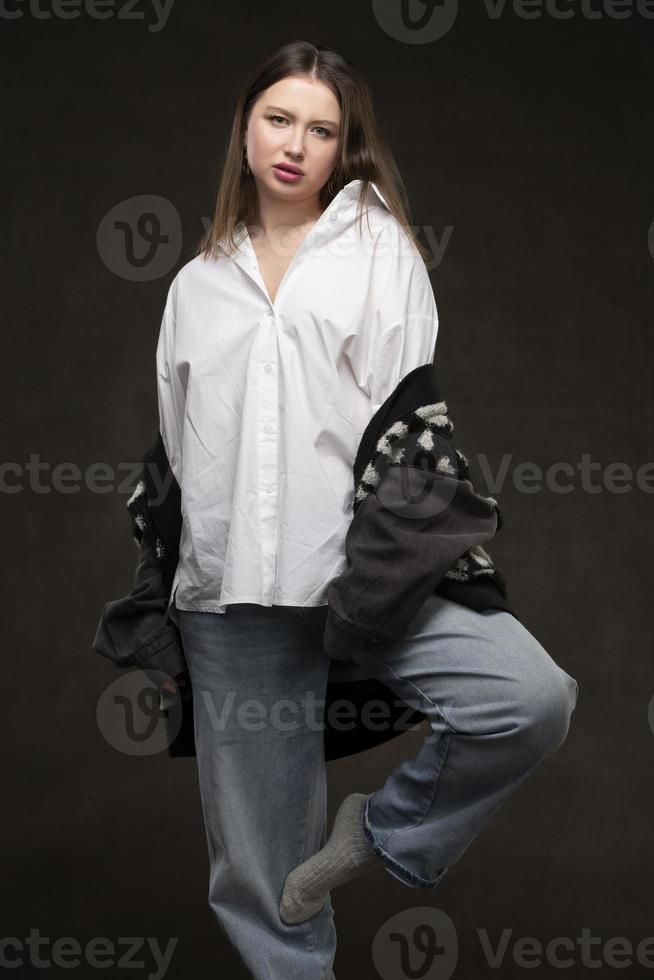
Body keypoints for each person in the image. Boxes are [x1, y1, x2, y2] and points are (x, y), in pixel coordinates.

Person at [154, 39, 579, 980]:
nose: (295, 144)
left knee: (527, 698)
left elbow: (407, 423)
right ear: (246, 126)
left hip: (359, 574)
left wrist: (378, 569)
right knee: (259, 873)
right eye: (278, 118)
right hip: (231, 596)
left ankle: (382, 834)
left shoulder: (379, 247)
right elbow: (183, 446)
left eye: (320, 128)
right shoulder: (195, 284)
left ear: (344, 144)